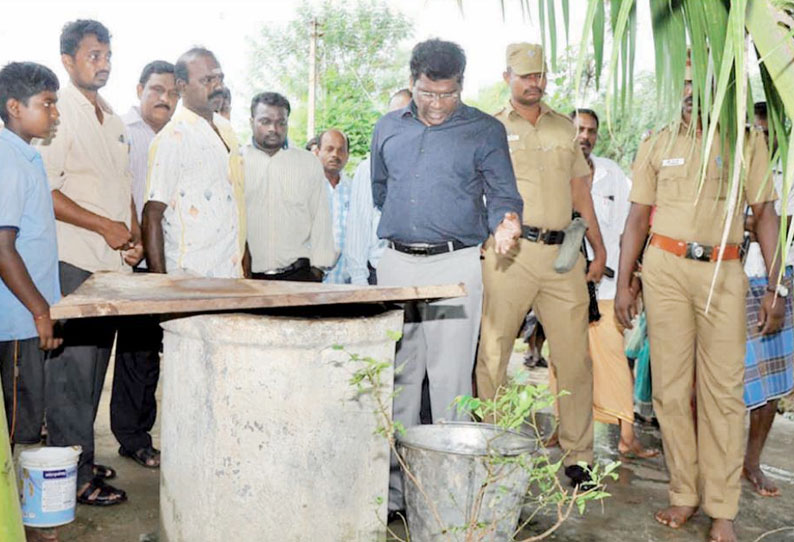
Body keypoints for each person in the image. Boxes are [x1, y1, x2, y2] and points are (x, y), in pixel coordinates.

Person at [615, 72, 783, 542]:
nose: (689, 93)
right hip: (665, 267)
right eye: (683, 84)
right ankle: (684, 493)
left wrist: (776, 288)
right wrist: (627, 282)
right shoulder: (658, 140)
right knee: (669, 389)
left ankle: (723, 507)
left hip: (723, 271)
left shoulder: (747, 142)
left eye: (699, 86)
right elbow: (634, 219)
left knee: (723, 393)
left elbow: (766, 213)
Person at [372, 38, 523, 515]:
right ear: (411, 82)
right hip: (396, 264)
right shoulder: (386, 128)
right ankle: (396, 493)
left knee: (450, 385)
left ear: (461, 83)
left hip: (455, 265)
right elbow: (382, 189)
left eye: (448, 94)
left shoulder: (483, 130)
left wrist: (507, 222)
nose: (437, 105)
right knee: (397, 381)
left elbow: (503, 193)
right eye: (426, 93)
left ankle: (447, 499)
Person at [475, 43, 606, 488]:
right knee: (493, 354)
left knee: (574, 360)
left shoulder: (565, 128)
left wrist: (598, 248)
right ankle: (492, 447)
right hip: (508, 255)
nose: (534, 83)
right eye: (526, 75)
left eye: (540, 75)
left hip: (562, 255)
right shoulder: (489, 127)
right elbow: (474, 191)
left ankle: (579, 457)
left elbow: (581, 193)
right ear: (507, 75)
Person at [37, 19, 141, 506]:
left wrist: (132, 237)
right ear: (68, 60)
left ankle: (82, 458)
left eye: (106, 55)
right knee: (72, 379)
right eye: (93, 55)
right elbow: (47, 192)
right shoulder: (60, 116)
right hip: (73, 263)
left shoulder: (112, 117)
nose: (102, 64)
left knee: (93, 373)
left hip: (110, 267)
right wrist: (105, 227)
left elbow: (122, 189)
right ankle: (73, 477)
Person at [570, 107, 658, 459]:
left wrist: (631, 281)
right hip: (564, 285)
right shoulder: (556, 172)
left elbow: (631, 229)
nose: (585, 136)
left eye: (591, 131)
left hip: (607, 287)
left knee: (612, 357)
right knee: (567, 361)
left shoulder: (613, 174)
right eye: (579, 129)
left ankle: (626, 436)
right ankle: (565, 432)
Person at [0, 61, 62, 542]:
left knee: (24, 417)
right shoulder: (5, 159)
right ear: (14, 107)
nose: (55, 112)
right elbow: (3, 246)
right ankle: (21, 521)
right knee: (18, 423)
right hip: (17, 319)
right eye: (47, 104)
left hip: (27, 314)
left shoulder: (24, 154)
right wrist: (40, 310)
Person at [110, 60, 179, 470]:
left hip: (169, 261)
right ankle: (131, 437)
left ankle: (142, 431)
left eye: (171, 92)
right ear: (139, 90)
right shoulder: (122, 132)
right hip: (130, 256)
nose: (164, 98)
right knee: (134, 353)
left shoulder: (180, 134)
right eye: (156, 89)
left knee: (151, 355)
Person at [143, 47, 247, 279]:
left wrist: (244, 269)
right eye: (208, 80)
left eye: (220, 78)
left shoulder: (226, 131)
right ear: (181, 86)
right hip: (189, 277)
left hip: (230, 274)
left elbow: (235, 207)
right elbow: (152, 214)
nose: (218, 86)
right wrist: (160, 290)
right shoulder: (173, 136)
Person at [740, 101, 794, 497]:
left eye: (768, 130)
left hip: (778, 280)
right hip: (733, 277)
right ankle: (708, 463)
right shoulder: (733, 161)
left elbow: (779, 222)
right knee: (713, 378)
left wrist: (760, 218)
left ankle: (751, 462)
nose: (762, 136)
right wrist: (763, 217)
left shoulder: (788, 173)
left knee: (771, 382)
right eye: (756, 129)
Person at [243, 91, 335, 281]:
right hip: (248, 277)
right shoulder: (237, 162)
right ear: (252, 122)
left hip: (299, 275)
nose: (273, 129)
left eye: (281, 122)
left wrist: (317, 271)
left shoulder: (308, 163)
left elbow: (321, 219)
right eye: (265, 121)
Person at [345, 88, 412, 285]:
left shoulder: (435, 166)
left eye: (407, 115)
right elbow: (358, 225)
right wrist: (359, 280)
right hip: (380, 275)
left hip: (424, 276)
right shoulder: (369, 168)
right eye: (393, 117)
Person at [317, 129, 352, 284]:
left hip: (346, 285)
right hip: (309, 283)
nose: (335, 155)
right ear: (318, 152)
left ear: (347, 156)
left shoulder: (354, 190)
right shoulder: (305, 187)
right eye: (329, 149)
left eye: (341, 150)